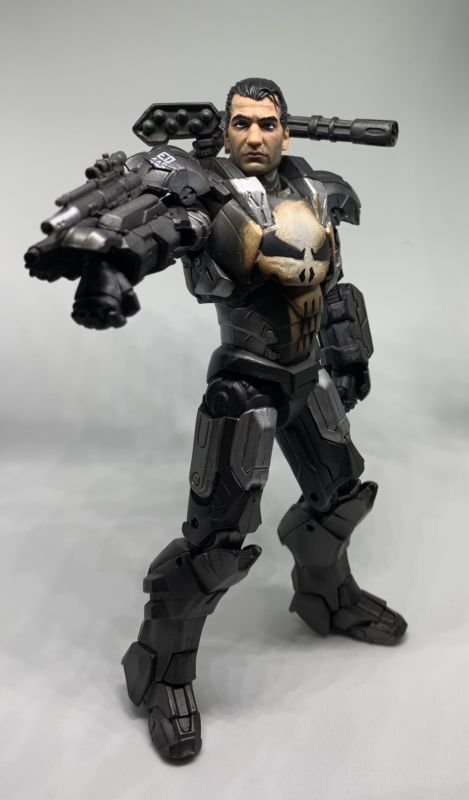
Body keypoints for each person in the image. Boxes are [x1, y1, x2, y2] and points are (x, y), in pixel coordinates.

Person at [27, 77, 407, 761]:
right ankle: (161, 675)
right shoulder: (207, 196)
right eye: (241, 123)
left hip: (311, 373)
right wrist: (109, 270)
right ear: (224, 130)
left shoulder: (319, 191)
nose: (254, 135)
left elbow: (332, 285)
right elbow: (159, 235)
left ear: (285, 129)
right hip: (246, 385)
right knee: (214, 547)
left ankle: (327, 597)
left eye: (267, 123)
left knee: (340, 498)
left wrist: (349, 352)